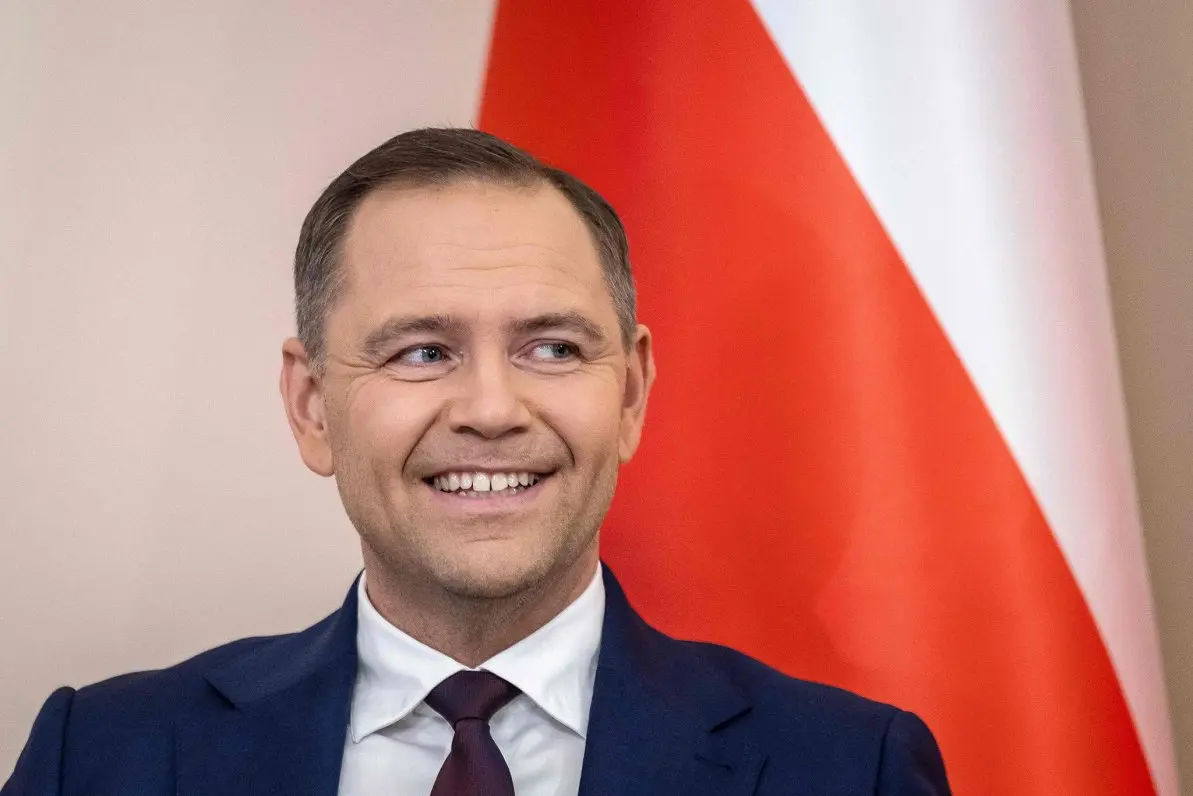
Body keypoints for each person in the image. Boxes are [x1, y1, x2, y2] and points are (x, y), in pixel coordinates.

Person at [3, 128, 951, 795]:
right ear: (311, 406)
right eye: (422, 351)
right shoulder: (100, 759)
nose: (492, 410)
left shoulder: (848, 768)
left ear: (629, 394)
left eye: (553, 348)